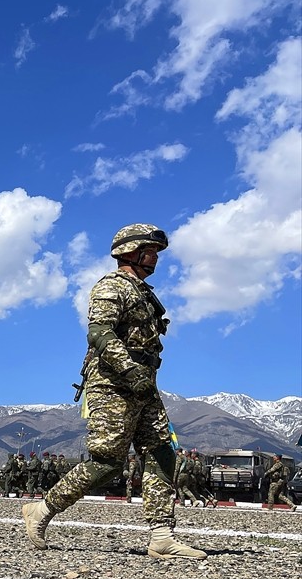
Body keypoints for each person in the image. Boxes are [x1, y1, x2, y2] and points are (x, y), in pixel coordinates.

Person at [22, 224, 206, 559]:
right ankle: (41, 511)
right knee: (107, 463)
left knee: (162, 452)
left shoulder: (144, 293)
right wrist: (130, 370)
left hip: (143, 383)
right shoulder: (112, 286)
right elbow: (99, 333)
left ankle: (162, 537)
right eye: (150, 251)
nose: (155, 258)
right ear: (131, 252)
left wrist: (142, 377)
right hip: (113, 382)